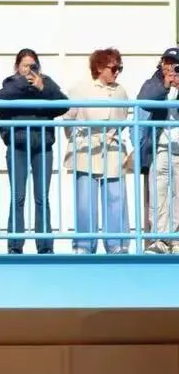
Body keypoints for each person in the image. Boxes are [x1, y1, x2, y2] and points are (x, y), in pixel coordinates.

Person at [0, 51, 67, 255]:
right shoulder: (11, 84)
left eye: (33, 66)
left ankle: (45, 246)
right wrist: (22, 84)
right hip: (17, 145)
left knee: (42, 197)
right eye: (25, 65)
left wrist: (43, 88)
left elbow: (64, 104)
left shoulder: (46, 83)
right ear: (17, 66)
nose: (29, 70)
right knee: (18, 197)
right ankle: (15, 246)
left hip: (42, 146)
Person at [61, 48, 131, 255]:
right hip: (86, 148)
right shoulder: (80, 88)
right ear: (99, 67)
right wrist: (77, 140)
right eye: (113, 68)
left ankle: (117, 244)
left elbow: (123, 117)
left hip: (112, 148)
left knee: (116, 198)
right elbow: (68, 119)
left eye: (120, 68)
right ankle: (84, 245)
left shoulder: (121, 91)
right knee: (85, 201)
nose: (117, 72)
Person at [136, 47, 179, 253]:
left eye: (174, 64)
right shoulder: (154, 81)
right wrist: (165, 85)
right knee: (158, 194)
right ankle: (159, 239)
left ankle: (176, 239)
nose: (170, 67)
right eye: (166, 62)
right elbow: (144, 100)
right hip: (160, 146)